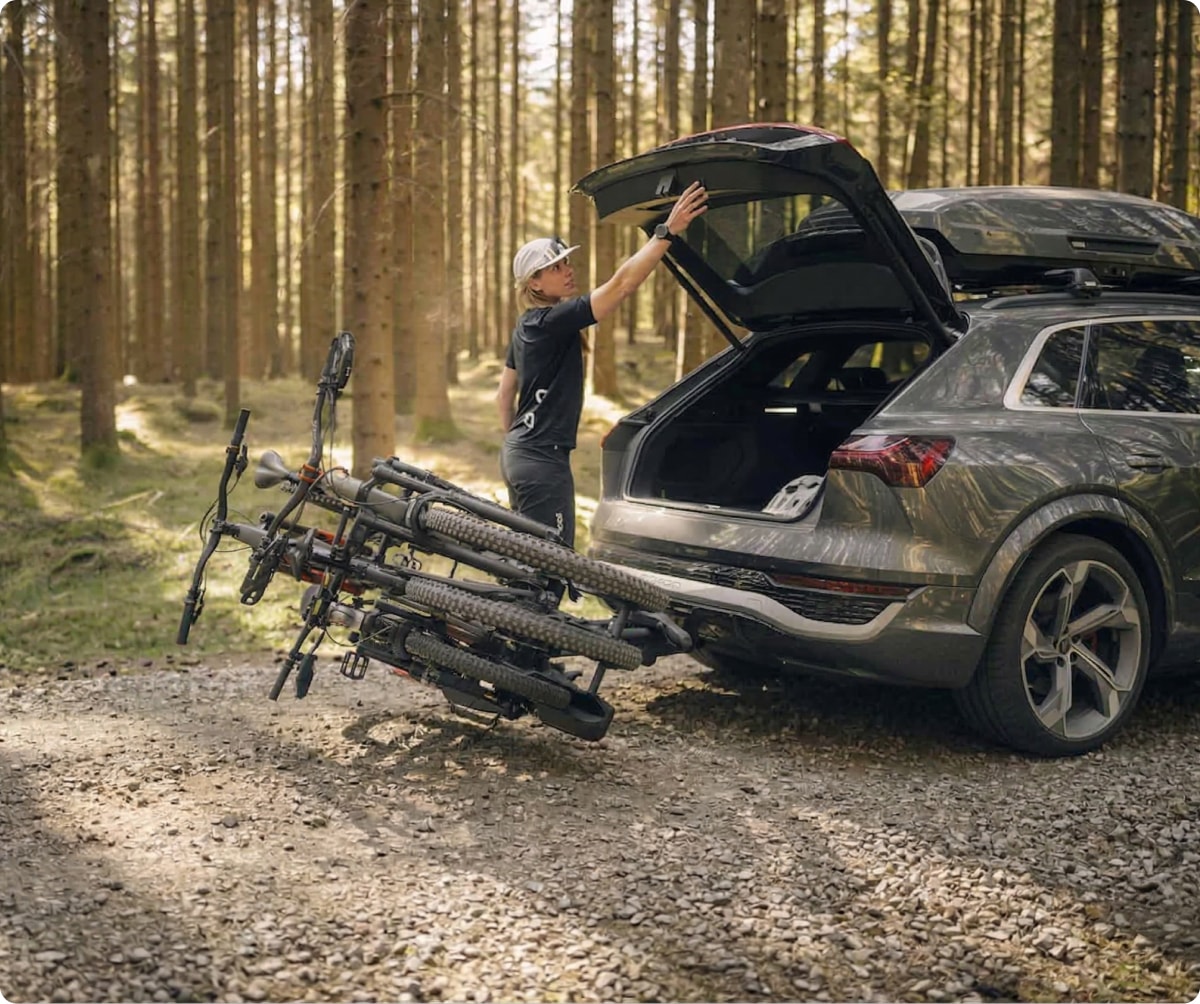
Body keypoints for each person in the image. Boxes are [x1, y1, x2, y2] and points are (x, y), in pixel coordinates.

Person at [497, 181, 709, 549]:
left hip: (519, 456)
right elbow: (622, 285)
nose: (567, 271)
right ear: (534, 281)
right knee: (553, 562)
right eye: (555, 266)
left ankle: (498, 607)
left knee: (527, 563)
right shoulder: (551, 321)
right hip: (541, 462)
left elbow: (503, 395)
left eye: (566, 262)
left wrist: (515, 447)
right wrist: (666, 232)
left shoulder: (528, 324)